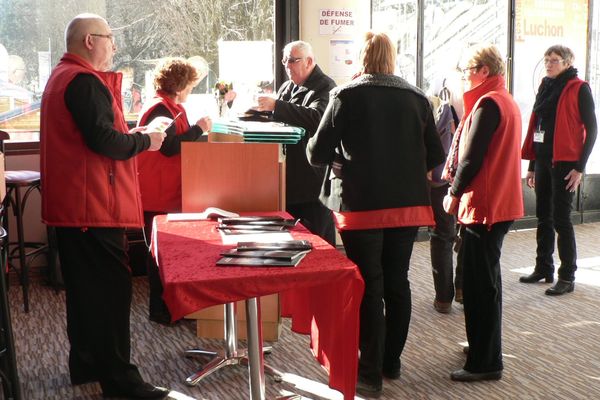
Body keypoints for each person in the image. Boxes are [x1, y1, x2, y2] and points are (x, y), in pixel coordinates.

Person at [307, 32, 445, 398]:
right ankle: (391, 362)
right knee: (398, 282)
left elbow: (317, 152)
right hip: (406, 207)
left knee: (369, 285)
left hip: (361, 207)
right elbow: (436, 155)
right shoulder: (418, 99)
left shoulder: (345, 96)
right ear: (393, 58)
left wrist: (340, 159)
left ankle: (369, 374)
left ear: (362, 59)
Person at [40, 13, 169, 399]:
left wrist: (134, 134)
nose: (115, 45)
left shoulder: (62, 77)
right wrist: (147, 141)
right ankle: (122, 382)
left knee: (84, 293)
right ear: (90, 41)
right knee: (111, 295)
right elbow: (104, 144)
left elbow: (95, 138)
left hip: (75, 206)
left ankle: (86, 364)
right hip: (92, 208)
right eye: (110, 37)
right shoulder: (83, 81)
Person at [442, 44, 523, 382]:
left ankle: (485, 362)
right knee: (487, 282)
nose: (464, 77)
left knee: (479, 286)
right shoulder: (504, 100)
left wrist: (453, 193)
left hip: (486, 206)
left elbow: (471, 160)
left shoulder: (488, 105)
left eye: (467, 70)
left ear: (484, 72)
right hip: (498, 204)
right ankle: (485, 348)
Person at [136, 57, 212, 324]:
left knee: (163, 254)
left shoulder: (165, 106)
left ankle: (169, 309)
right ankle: (161, 311)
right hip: (158, 192)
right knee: (160, 256)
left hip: (160, 190)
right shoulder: (162, 110)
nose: (191, 90)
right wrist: (199, 129)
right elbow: (169, 147)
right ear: (180, 86)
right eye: (190, 85)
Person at [520, 45, 597, 295]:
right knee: (544, 216)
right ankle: (544, 267)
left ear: (567, 62)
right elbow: (538, 127)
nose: (549, 64)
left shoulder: (578, 87)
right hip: (543, 160)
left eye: (554, 60)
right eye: (546, 60)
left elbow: (592, 129)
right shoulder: (545, 86)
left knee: (562, 219)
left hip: (566, 163)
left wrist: (579, 168)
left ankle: (567, 276)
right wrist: (532, 164)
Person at [254, 40, 337, 246]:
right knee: (292, 238)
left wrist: (277, 106)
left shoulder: (325, 86)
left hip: (311, 177)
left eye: (292, 60)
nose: (287, 65)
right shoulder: (287, 86)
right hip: (287, 175)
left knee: (317, 239)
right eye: (284, 60)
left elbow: (318, 117)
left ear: (309, 61)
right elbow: (279, 117)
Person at [428, 84, 461, 313]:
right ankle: (462, 290)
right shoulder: (481, 103)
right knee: (466, 235)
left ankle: (443, 298)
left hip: (441, 179)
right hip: (466, 178)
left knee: (442, 235)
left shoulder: (441, 102)